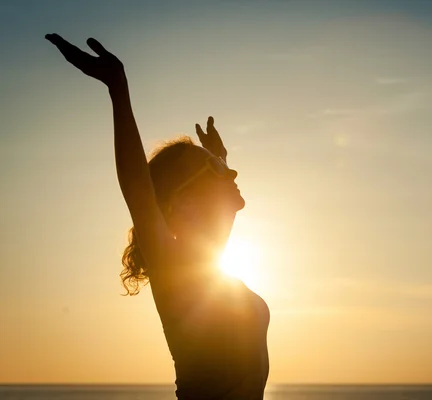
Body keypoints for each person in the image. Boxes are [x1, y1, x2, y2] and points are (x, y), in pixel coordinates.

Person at [45, 34, 270, 400]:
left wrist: (219, 160)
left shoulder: (207, 263)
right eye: (214, 171)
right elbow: (138, 191)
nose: (233, 175)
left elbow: (220, 210)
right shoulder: (177, 271)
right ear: (181, 202)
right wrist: (118, 89)